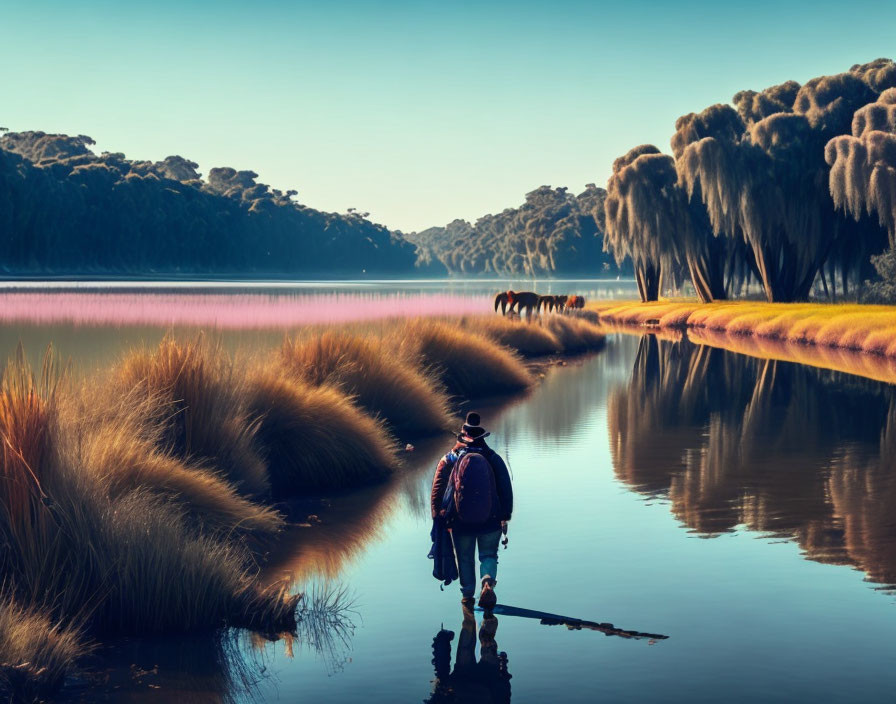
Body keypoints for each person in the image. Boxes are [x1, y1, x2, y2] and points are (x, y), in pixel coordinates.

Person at [431, 412, 513, 612]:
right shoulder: (493, 457)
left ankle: (468, 599)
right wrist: (505, 516)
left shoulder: (449, 458)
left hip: (459, 523)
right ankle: (487, 583)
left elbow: (437, 490)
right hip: (491, 520)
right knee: (488, 555)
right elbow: (506, 489)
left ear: (462, 436)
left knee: (465, 558)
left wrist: (437, 517)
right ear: (481, 436)